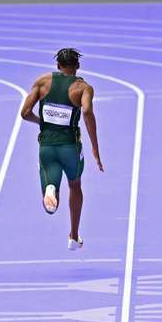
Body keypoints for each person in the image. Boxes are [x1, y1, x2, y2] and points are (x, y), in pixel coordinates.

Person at [20, 49, 103, 251]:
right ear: (78, 66)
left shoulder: (42, 82)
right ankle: (74, 236)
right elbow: (87, 112)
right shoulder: (83, 88)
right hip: (71, 148)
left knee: (50, 188)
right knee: (75, 185)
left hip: (46, 146)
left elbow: (24, 113)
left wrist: (42, 122)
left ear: (58, 66)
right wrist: (95, 147)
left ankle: (51, 189)